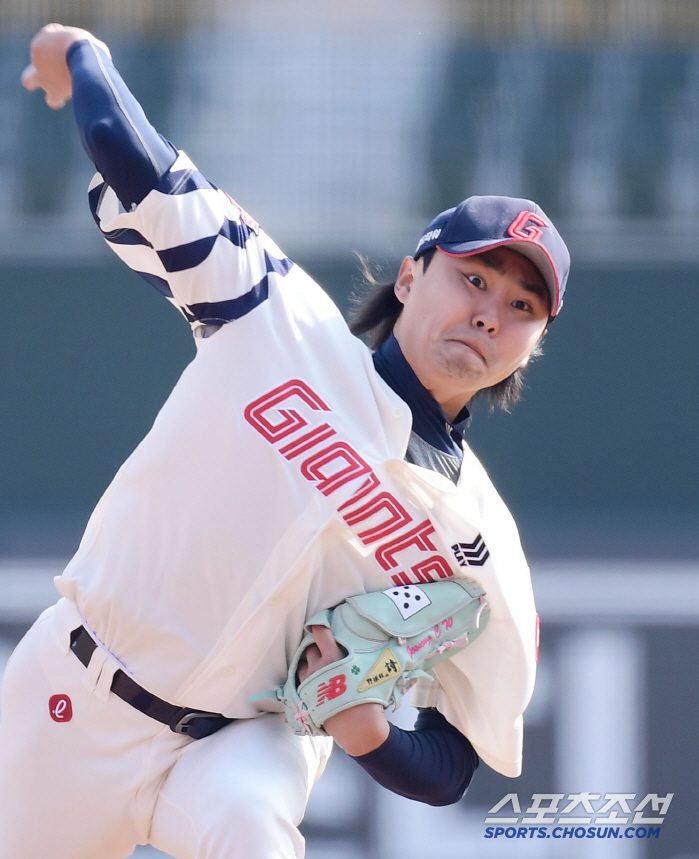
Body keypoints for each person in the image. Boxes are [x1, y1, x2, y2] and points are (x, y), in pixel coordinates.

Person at [0, 22, 570, 859]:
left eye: (522, 307)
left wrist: (372, 736)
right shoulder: (273, 316)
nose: (489, 311)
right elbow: (139, 161)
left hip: (248, 741)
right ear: (410, 276)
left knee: (251, 829)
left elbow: (454, 763)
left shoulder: (484, 547)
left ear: (532, 344)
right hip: (79, 699)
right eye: (472, 277)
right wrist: (82, 53)